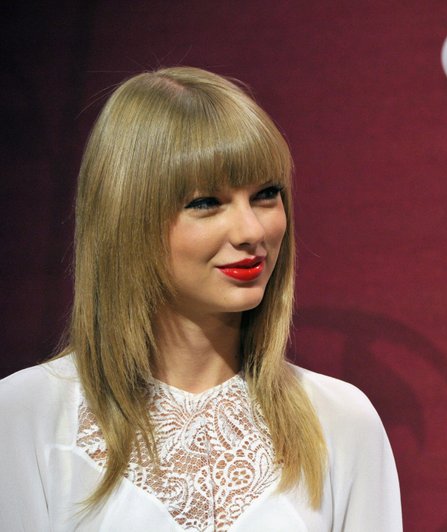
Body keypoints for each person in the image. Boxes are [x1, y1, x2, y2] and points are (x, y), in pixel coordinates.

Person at [0, 66, 402, 531]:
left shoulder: (341, 420)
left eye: (266, 195)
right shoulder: (25, 416)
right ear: (126, 218)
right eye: (206, 203)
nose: (252, 231)